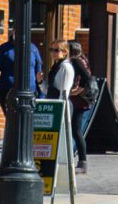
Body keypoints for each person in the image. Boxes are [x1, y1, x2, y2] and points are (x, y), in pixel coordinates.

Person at [46, 39, 91, 174]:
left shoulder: (73, 63)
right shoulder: (59, 65)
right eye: (51, 50)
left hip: (77, 101)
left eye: (57, 50)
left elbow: (87, 77)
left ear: (67, 51)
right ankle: (71, 161)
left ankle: (80, 162)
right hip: (72, 100)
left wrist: (77, 90)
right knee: (72, 131)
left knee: (74, 131)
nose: (53, 53)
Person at [0, 29, 44, 111]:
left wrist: (41, 95)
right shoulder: (4, 49)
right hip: (8, 91)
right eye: (16, 32)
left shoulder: (33, 49)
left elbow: (39, 74)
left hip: (31, 92)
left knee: (28, 121)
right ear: (13, 32)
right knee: (12, 120)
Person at [68, 41, 95, 138]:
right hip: (82, 98)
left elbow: (86, 76)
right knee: (76, 129)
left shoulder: (76, 61)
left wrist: (78, 90)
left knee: (76, 130)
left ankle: (82, 153)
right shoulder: (83, 59)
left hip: (79, 99)